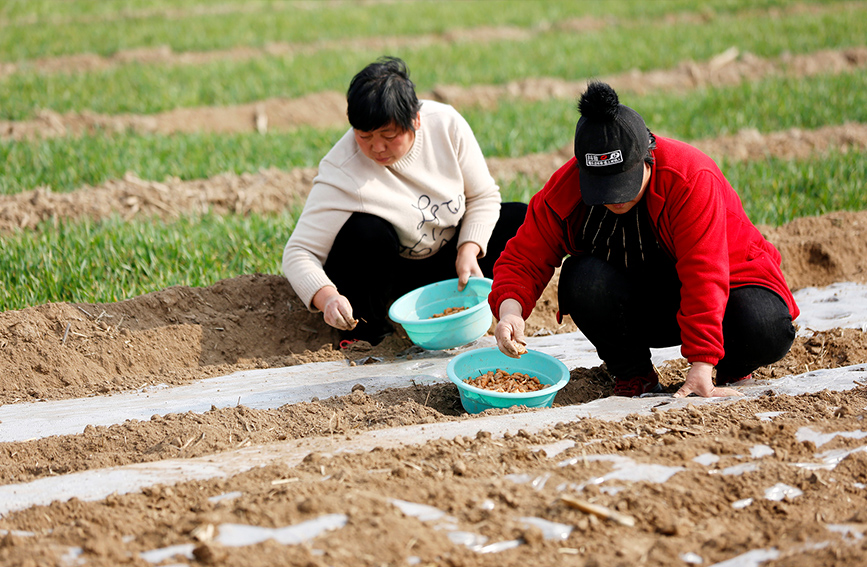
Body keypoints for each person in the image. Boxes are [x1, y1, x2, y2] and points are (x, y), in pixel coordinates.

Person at [489, 81, 798, 398]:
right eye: (603, 190)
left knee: (764, 326)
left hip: (725, 296)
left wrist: (702, 364)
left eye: (624, 184)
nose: (615, 200)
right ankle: (634, 375)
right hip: (645, 304)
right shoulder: (565, 190)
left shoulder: (689, 178)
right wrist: (510, 313)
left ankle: (729, 369)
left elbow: (704, 273)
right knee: (582, 279)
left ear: (647, 155)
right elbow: (523, 257)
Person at [282, 56, 527, 345]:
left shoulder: (446, 125)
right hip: (391, 276)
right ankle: (370, 333)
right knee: (366, 232)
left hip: (452, 263)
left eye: (389, 135)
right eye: (365, 136)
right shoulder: (342, 169)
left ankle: (498, 305)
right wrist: (328, 298)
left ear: (416, 120)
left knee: (520, 219)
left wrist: (469, 249)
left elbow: (484, 196)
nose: (377, 147)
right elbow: (298, 252)